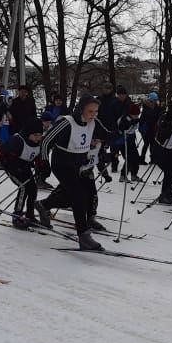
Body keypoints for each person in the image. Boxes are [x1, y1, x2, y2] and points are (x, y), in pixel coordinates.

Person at [35, 95, 113, 251]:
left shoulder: (93, 122)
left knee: (73, 196)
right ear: (81, 109)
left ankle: (44, 205)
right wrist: (44, 164)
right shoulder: (66, 123)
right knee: (79, 196)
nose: (94, 115)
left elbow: (107, 134)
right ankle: (84, 236)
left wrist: (120, 132)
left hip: (78, 166)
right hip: (62, 164)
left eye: (96, 111)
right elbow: (45, 141)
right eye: (90, 111)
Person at [0, 119, 45, 228]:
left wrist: (41, 166)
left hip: (25, 167)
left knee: (33, 189)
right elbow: (0, 151)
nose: (38, 138)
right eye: (35, 135)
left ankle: (30, 214)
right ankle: (17, 214)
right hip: (13, 168)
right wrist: (9, 163)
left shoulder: (39, 142)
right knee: (23, 187)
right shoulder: (17, 140)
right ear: (28, 134)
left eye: (40, 135)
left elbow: (38, 157)